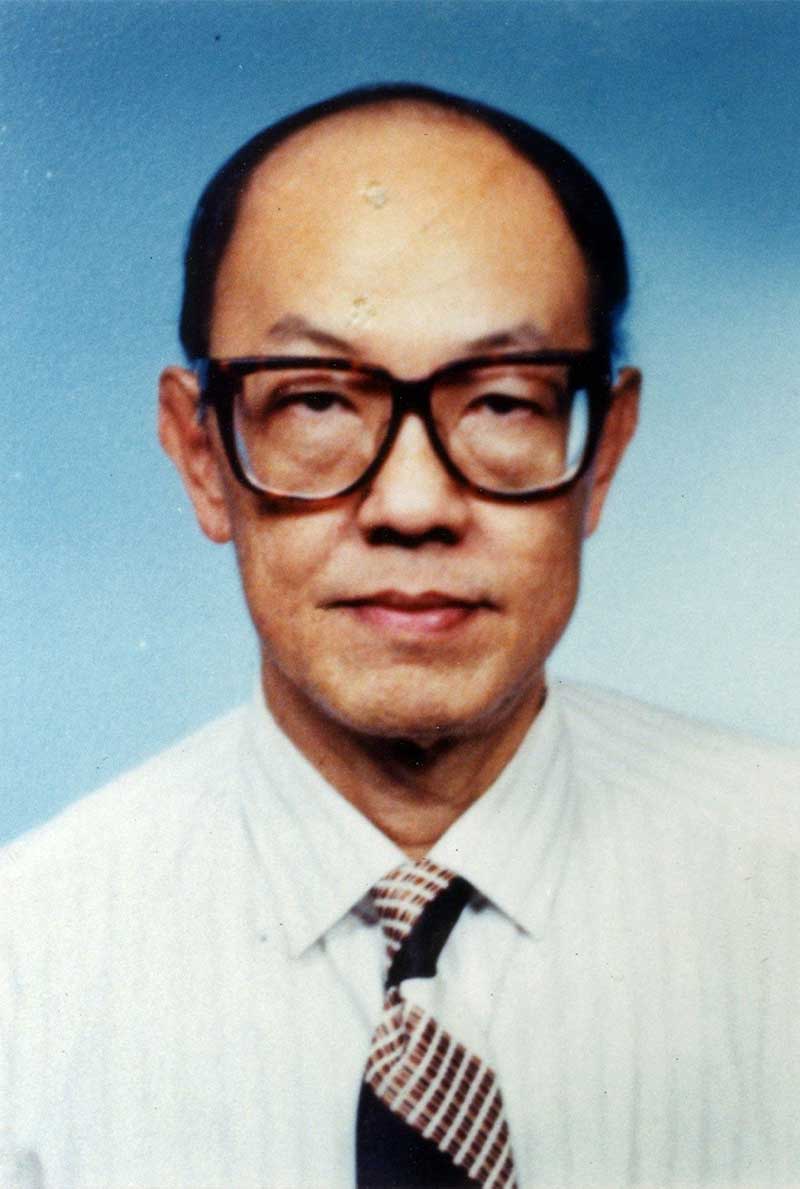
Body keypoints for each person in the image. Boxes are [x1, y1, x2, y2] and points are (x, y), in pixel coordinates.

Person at [1, 83, 798, 1189]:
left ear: (604, 450)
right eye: (316, 401)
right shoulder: (27, 967)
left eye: (503, 400)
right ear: (201, 455)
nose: (413, 504)